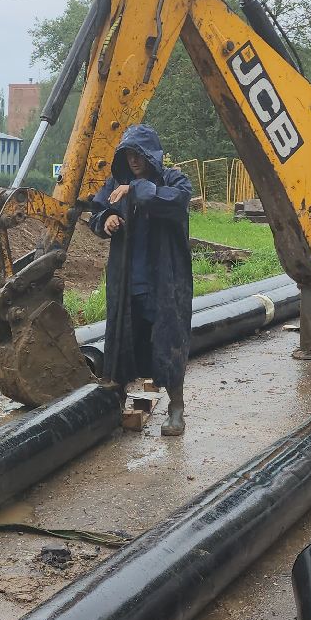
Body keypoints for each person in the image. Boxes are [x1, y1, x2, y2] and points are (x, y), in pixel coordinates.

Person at [87, 123, 195, 436]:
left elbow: (175, 202)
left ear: (151, 155)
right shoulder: (115, 183)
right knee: (121, 341)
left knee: (168, 342)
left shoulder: (171, 180)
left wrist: (136, 189)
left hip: (163, 282)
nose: (134, 160)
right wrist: (105, 219)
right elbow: (96, 211)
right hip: (127, 282)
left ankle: (176, 407)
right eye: (129, 154)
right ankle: (117, 401)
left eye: (139, 154)